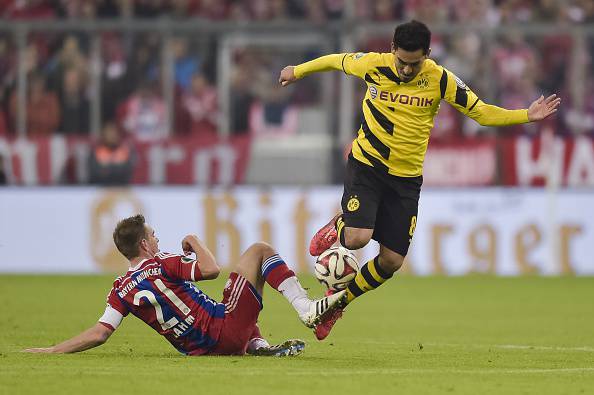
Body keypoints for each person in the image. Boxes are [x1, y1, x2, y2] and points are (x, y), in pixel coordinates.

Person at [278, 20, 561, 340]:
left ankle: (337, 304)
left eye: (415, 64)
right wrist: (297, 70)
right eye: (401, 62)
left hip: (406, 180)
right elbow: (334, 60)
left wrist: (526, 114)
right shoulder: (373, 65)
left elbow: (481, 112)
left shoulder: (440, 79)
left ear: (427, 54)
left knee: (391, 261)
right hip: (368, 165)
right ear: (392, 50)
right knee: (357, 238)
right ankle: (339, 226)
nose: (407, 70)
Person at [24, 214, 345, 356]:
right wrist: (194, 239)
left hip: (200, 349)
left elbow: (100, 333)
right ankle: (306, 309)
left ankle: (257, 346)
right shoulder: (160, 262)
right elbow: (211, 269)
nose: (157, 238)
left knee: (229, 298)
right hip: (225, 332)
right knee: (259, 252)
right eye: (152, 235)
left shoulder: (121, 288)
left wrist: (53, 349)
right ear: (144, 245)